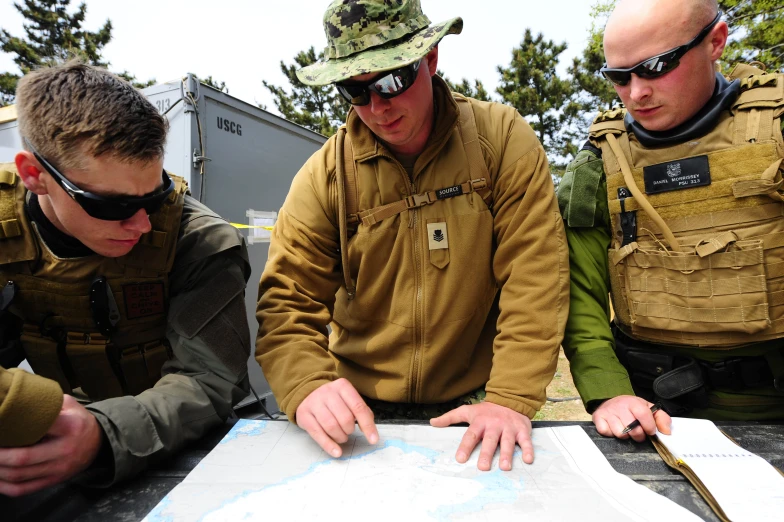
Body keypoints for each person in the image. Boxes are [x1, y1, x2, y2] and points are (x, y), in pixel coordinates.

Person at [257, 0, 568, 472]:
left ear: (431, 59)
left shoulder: (500, 140)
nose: (378, 107)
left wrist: (510, 397)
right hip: (359, 410)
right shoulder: (325, 176)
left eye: (391, 81)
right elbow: (286, 302)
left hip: (477, 402)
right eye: (356, 91)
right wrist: (307, 385)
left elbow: (535, 277)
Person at [0, 62, 252, 496]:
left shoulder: (197, 239)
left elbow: (210, 380)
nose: (140, 225)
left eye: (152, 199)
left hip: (189, 448)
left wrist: (103, 435)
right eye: (110, 206)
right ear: (34, 176)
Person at [558, 0, 784, 443]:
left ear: (715, 41)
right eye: (619, 77)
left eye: (656, 67)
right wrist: (608, 391)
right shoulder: (600, 160)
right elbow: (578, 290)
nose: (635, 92)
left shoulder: (775, 127)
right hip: (652, 412)